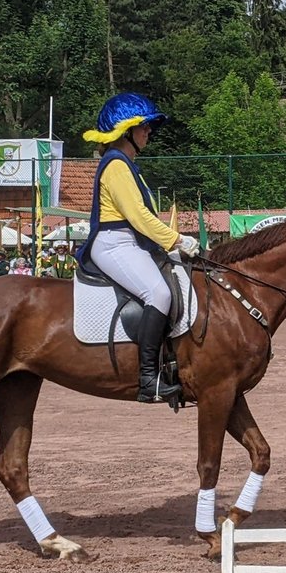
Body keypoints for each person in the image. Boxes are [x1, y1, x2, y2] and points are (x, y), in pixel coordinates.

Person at [78, 92, 199, 404]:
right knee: (158, 294)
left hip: (131, 242)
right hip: (114, 242)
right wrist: (177, 240)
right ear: (126, 131)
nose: (149, 132)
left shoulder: (128, 164)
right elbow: (139, 217)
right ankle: (148, 378)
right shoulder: (116, 166)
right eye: (144, 127)